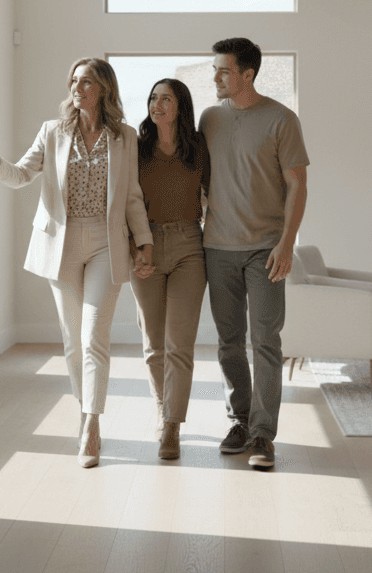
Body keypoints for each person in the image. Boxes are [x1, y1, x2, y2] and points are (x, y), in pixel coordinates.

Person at [0, 58, 153, 468]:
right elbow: (20, 175)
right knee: (73, 340)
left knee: (94, 336)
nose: (77, 88)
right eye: (74, 81)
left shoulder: (125, 137)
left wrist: (144, 242)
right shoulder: (53, 131)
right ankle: (84, 408)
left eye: (87, 82)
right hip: (61, 243)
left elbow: (132, 195)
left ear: (104, 89)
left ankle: (92, 424)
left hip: (106, 241)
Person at [199, 37, 309, 471]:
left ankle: (263, 433)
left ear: (247, 74)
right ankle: (239, 421)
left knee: (265, 341)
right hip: (217, 247)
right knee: (229, 342)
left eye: (223, 71)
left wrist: (287, 243)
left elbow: (298, 184)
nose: (215, 77)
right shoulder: (209, 118)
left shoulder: (282, 119)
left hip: (266, 249)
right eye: (215, 70)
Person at [130, 79, 210, 461]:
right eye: (153, 98)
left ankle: (172, 426)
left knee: (180, 343)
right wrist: (134, 249)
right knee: (154, 343)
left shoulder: (198, 147)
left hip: (189, 246)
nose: (157, 104)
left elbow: (217, 194)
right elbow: (125, 202)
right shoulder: (137, 148)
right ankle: (164, 412)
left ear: (181, 107)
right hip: (144, 247)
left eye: (166, 99)